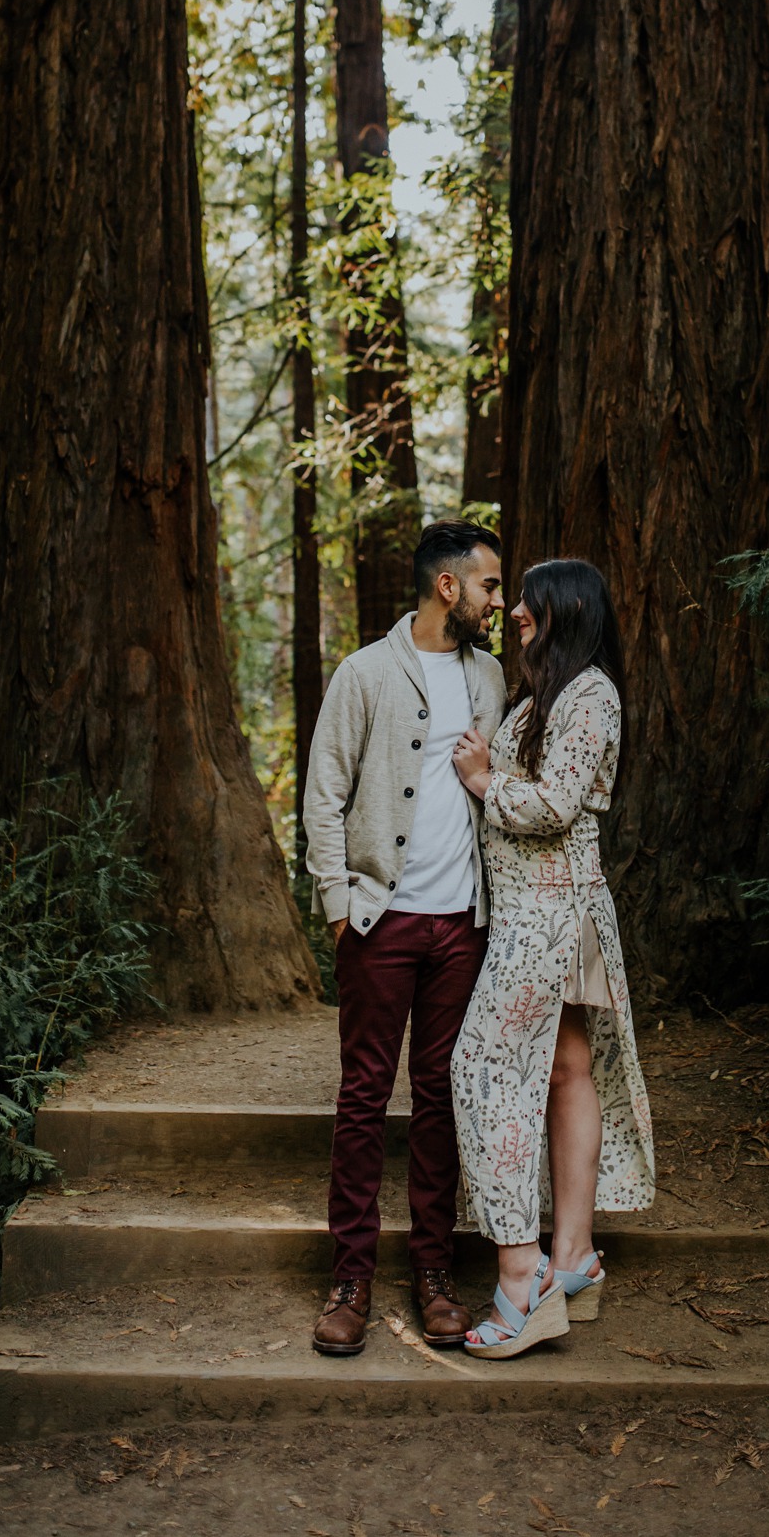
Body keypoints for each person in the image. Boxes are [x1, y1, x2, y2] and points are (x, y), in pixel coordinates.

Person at [303, 519, 508, 1356]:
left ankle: (433, 1272)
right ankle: (350, 1276)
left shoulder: (491, 676)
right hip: (379, 922)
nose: (501, 599)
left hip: (462, 924)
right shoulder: (364, 673)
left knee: (440, 1099)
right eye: (490, 584)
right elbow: (322, 793)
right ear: (448, 587)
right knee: (363, 1097)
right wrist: (335, 902)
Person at [449, 557, 655, 1358]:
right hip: (534, 915)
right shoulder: (549, 694)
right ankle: (572, 1256)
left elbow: (554, 805)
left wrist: (480, 779)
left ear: (562, 606)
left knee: (482, 1069)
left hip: (549, 917)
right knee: (567, 1067)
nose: (515, 612)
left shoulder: (591, 694)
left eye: (526, 601)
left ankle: (520, 1276)